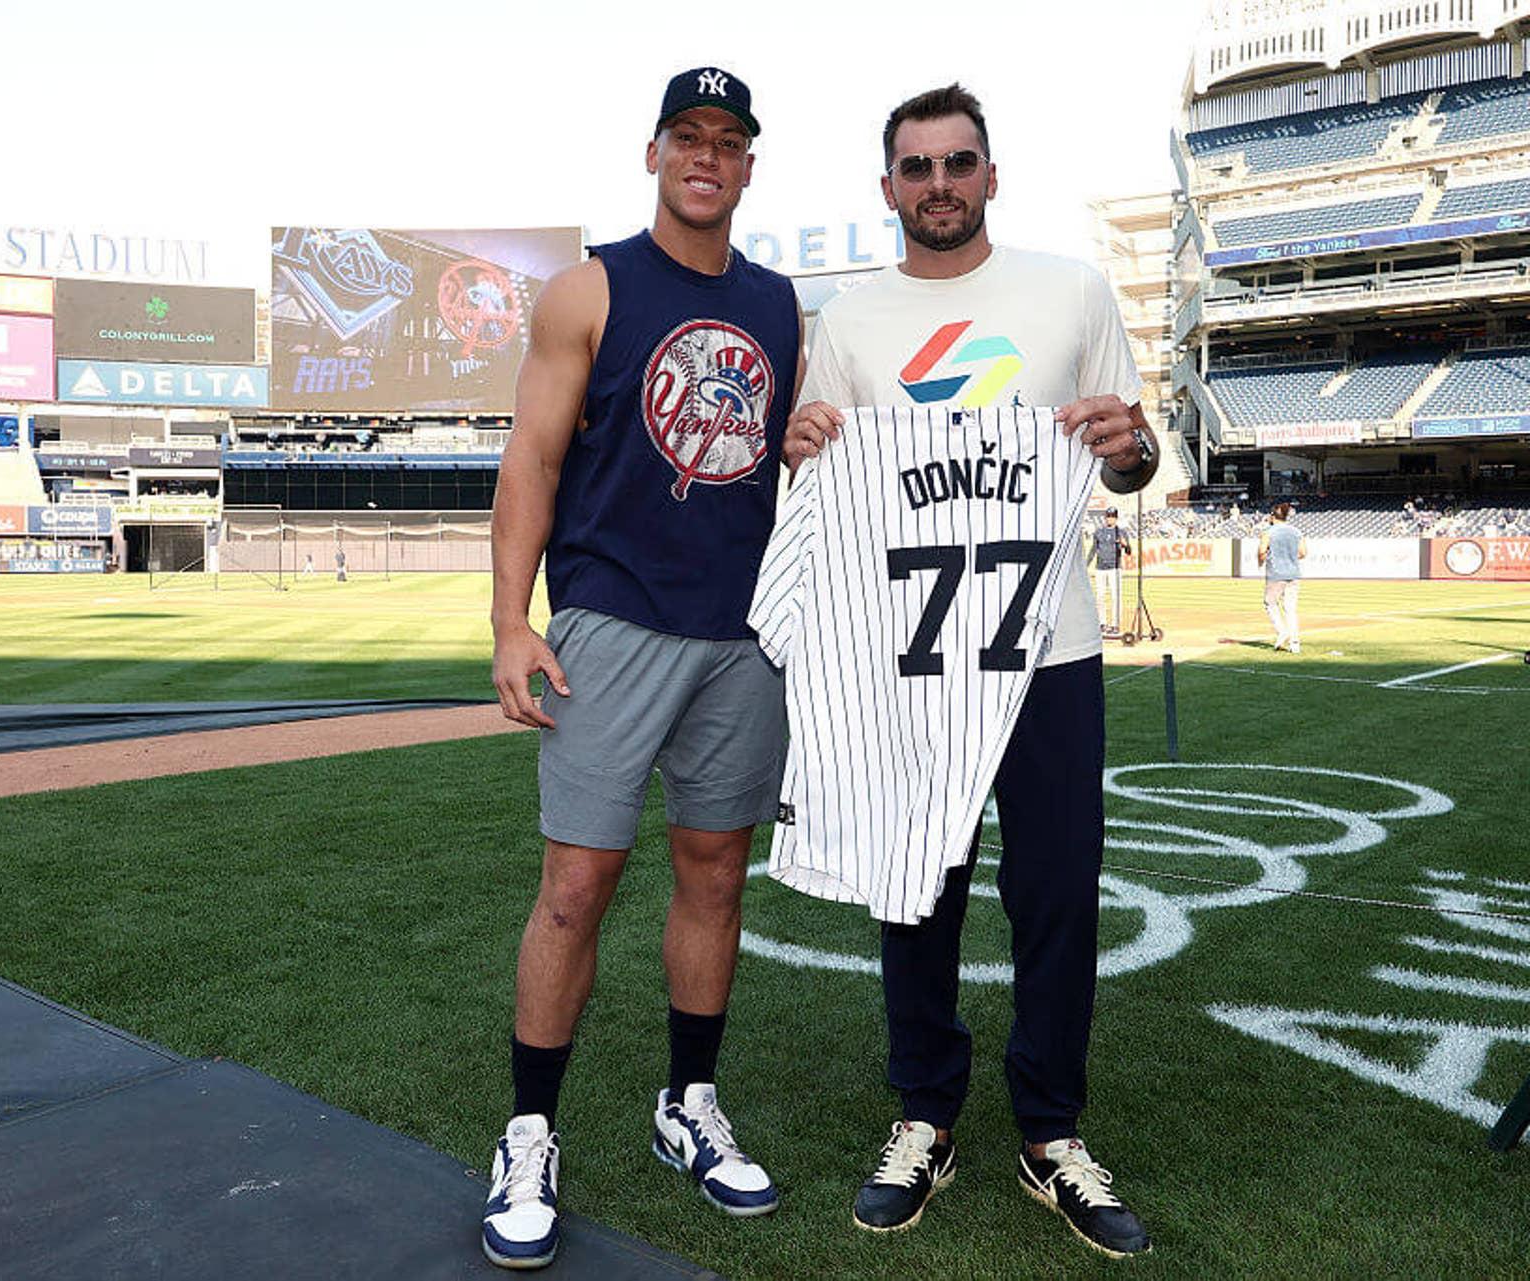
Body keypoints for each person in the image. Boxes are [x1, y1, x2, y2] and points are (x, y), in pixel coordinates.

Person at [784, 84, 1158, 1258]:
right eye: (916, 167)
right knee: (918, 887)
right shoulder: (843, 324)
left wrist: (1131, 444)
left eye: (958, 163)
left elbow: (1141, 453)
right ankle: (924, 1114)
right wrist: (804, 449)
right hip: (912, 658)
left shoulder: (1073, 292)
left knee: (1057, 892)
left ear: (992, 176)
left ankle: (1051, 1132)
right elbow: (820, 495)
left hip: (1050, 646)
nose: (938, 183)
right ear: (887, 186)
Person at [481, 65, 799, 1270]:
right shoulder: (588, 287)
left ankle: (688, 1106)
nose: (708, 155)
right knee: (576, 885)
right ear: (655, 152)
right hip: (610, 622)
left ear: (749, 164)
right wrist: (514, 624)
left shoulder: (779, 307)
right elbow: (531, 462)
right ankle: (528, 1131)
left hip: (741, 635)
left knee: (715, 874)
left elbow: (788, 466)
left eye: (729, 139)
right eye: (689, 136)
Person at [1260, 502, 1307, 653]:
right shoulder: (1296, 531)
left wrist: (1261, 561)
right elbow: (1303, 553)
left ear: (1273, 517)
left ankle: (1282, 631)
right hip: (1293, 573)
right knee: (1290, 609)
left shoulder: (1269, 531)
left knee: (1270, 603)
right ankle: (1295, 643)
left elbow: (1261, 551)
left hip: (1276, 573)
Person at [1088, 507, 1133, 637]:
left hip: (1115, 568)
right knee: (1100, 597)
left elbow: (1129, 552)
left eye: (1112, 516)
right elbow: (1093, 549)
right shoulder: (1099, 532)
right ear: (1105, 517)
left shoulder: (1121, 532)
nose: (1110, 518)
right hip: (1100, 568)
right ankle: (1102, 623)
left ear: (1116, 518)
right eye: (1108, 516)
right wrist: (1086, 564)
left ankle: (1115, 624)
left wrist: (1125, 545)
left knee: (1115, 597)